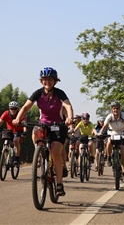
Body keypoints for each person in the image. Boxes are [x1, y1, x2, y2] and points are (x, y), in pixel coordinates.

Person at [12, 67, 74, 196]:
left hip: (58, 126)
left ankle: (59, 184)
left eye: (50, 79)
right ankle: (39, 152)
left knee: (56, 152)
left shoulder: (59, 93)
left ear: (55, 81)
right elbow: (25, 107)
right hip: (44, 124)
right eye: (45, 79)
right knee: (35, 131)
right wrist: (18, 118)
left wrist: (69, 117)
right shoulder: (38, 93)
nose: (47, 82)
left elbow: (68, 106)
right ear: (41, 81)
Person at [98, 101, 124, 183]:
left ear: (119, 109)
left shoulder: (123, 115)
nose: (115, 110)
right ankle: (109, 157)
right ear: (112, 109)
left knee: (122, 152)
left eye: (117, 108)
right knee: (109, 141)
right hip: (112, 133)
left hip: (122, 134)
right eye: (114, 108)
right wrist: (101, 132)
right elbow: (105, 126)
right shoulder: (110, 116)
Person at [0, 101, 28, 165]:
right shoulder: (6, 113)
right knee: (5, 143)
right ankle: (6, 158)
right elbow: (0, 122)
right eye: (11, 108)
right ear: (9, 109)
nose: (13, 110)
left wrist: (25, 132)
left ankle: (17, 158)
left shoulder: (20, 114)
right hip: (9, 131)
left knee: (15, 140)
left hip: (18, 132)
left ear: (17, 109)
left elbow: (24, 124)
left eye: (15, 109)